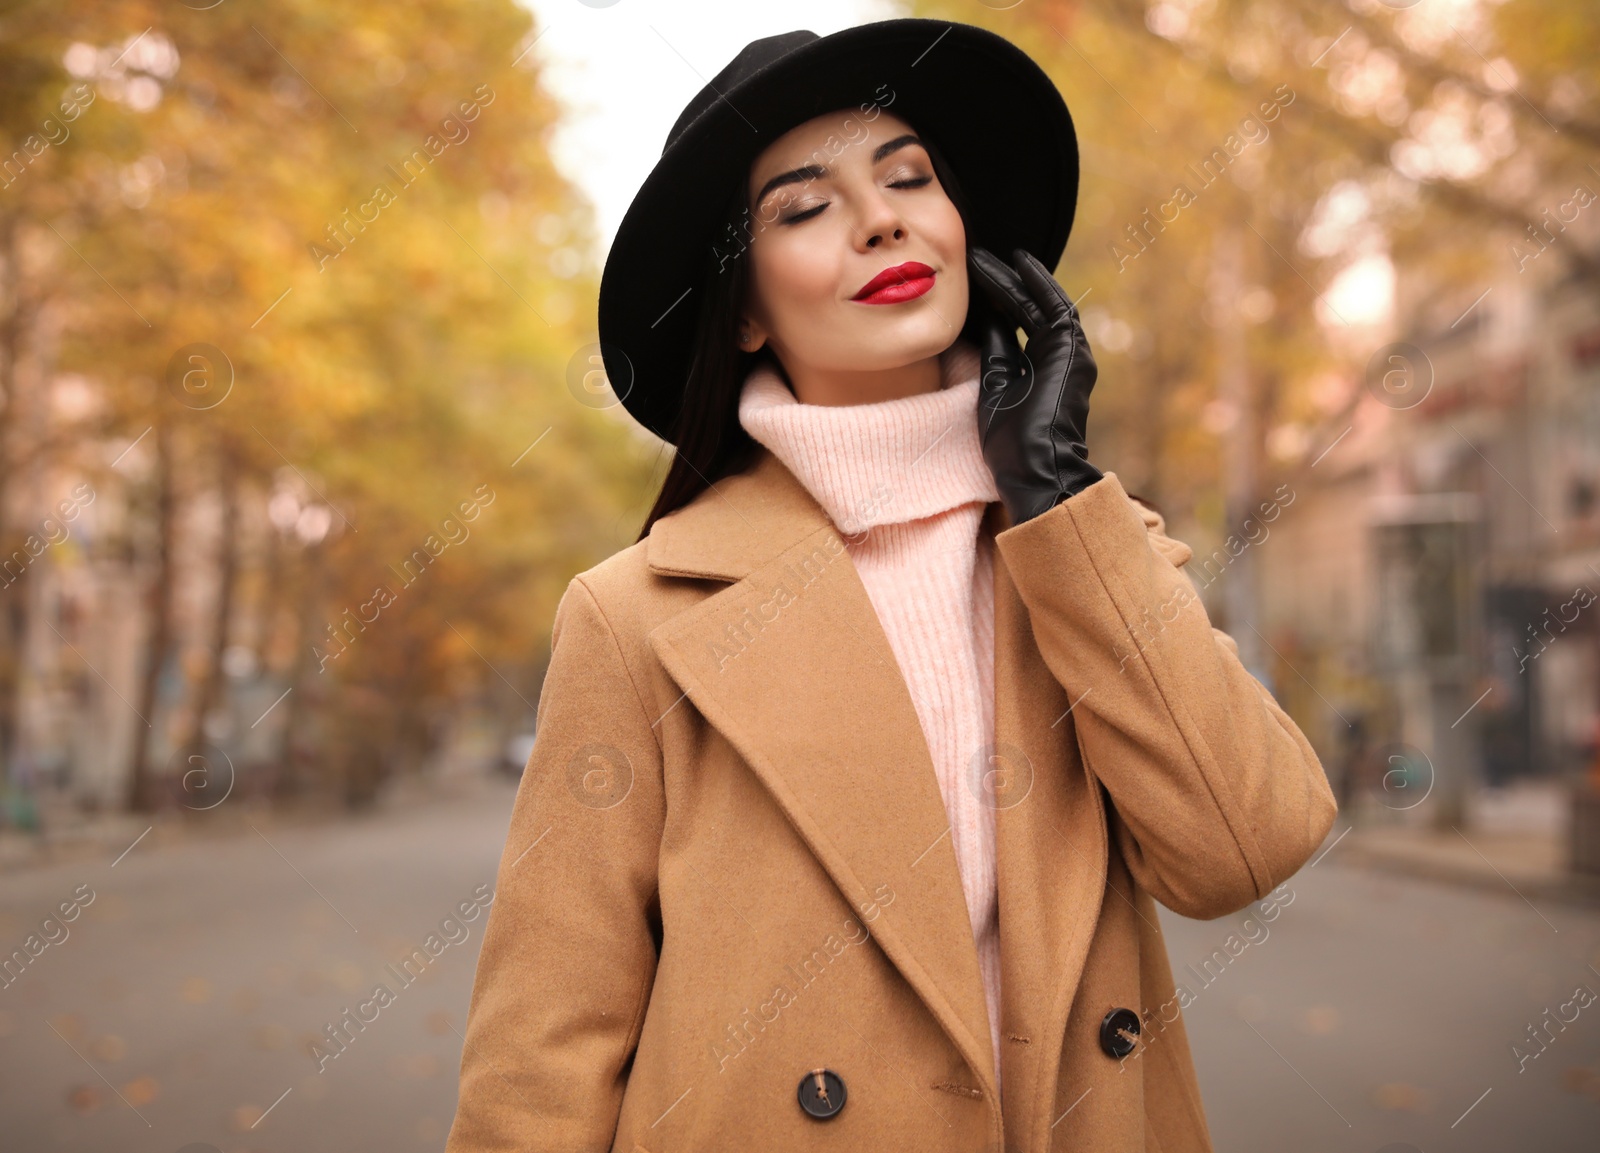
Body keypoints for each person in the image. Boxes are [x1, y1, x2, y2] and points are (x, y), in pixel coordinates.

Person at [445, 18, 1337, 1153]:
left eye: (909, 177)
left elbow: (1244, 845)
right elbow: (544, 1048)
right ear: (751, 308)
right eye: (806, 208)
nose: (881, 218)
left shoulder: (1080, 550)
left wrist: (1053, 494)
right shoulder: (638, 617)